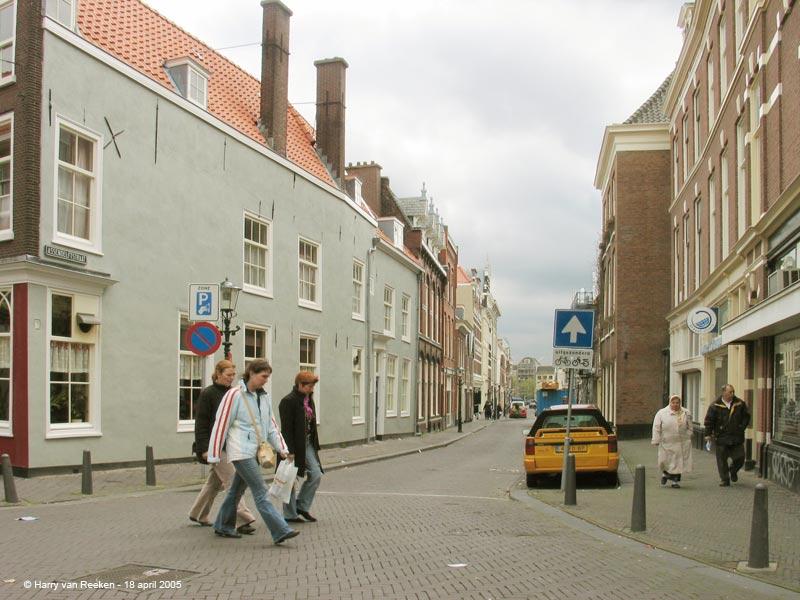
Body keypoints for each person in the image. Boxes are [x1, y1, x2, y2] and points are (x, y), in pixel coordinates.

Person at [207, 359, 299, 544]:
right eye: (263, 376)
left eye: (268, 377)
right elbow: (221, 424)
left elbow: (271, 426)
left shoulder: (264, 397)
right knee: (261, 490)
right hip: (240, 451)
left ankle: (223, 525)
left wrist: (282, 448)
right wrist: (214, 454)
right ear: (251, 373)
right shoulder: (234, 395)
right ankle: (280, 530)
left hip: (256, 451)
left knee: (235, 491)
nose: (266, 380)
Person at [188, 360, 257, 533]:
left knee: (215, 482)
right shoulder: (208, 394)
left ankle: (198, 513)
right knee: (232, 480)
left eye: (233, 375)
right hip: (215, 446)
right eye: (228, 375)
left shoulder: (233, 394)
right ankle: (242, 519)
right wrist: (204, 449)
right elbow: (201, 423)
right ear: (218, 374)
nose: (231, 378)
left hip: (231, 444)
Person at [279, 371, 324, 523]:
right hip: (292, 445)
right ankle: (289, 514)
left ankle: (302, 506)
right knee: (289, 479)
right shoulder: (288, 401)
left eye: (312, 386)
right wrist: (289, 451)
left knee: (316, 474)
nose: (312, 389)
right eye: (309, 386)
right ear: (300, 385)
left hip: (307, 443)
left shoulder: (308, 400)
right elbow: (286, 429)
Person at [704, 384, 751, 487]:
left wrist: (741, 427)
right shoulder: (715, 406)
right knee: (722, 460)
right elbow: (709, 421)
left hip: (736, 436)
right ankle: (724, 479)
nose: (732, 394)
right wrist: (708, 434)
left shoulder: (740, 404)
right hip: (721, 436)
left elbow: (746, 417)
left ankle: (733, 470)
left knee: (740, 457)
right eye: (730, 392)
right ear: (723, 392)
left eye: (733, 391)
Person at [651, 394, 692, 488]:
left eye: (677, 403)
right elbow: (656, 427)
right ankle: (665, 474)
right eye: (673, 402)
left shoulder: (686, 413)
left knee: (678, 462)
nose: (675, 404)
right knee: (664, 461)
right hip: (666, 442)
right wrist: (656, 439)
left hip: (681, 442)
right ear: (670, 403)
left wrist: (689, 434)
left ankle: (675, 482)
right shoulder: (661, 413)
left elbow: (690, 425)